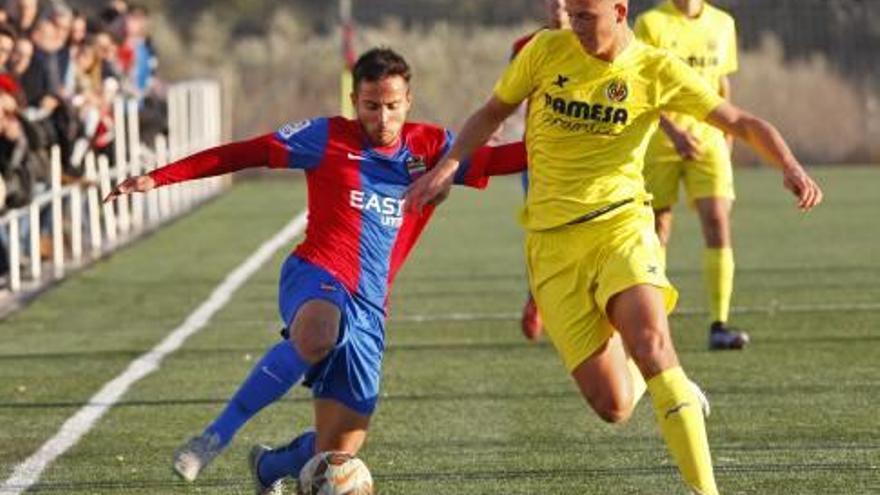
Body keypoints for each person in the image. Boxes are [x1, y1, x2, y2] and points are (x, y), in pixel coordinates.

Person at [405, 1, 822, 493]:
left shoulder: (654, 68)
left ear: (620, 10)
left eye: (586, 15)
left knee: (650, 345)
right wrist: (450, 166)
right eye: (572, 13)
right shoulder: (545, 51)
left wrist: (790, 166)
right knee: (614, 405)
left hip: (621, 225)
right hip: (552, 243)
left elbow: (741, 121)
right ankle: (670, 381)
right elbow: (493, 110)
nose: (574, 24)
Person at [106, 47, 526, 493]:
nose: (381, 118)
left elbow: (501, 160)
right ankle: (215, 436)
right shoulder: (326, 137)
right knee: (319, 332)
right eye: (370, 106)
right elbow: (247, 153)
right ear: (353, 100)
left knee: (338, 452)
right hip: (316, 273)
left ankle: (268, 467)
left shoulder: (435, 148)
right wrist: (160, 177)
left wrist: (582, 141)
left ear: (408, 101)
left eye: (391, 106)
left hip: (370, 307)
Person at [634, 0, 747, 350]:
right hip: (660, 140)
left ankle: (719, 323)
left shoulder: (723, 23)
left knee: (717, 222)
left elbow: (722, 85)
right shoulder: (651, 22)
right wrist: (674, 133)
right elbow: (641, 84)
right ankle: (656, 323)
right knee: (657, 228)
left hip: (708, 140)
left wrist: (727, 140)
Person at [506, 0, 570, 341]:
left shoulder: (600, 43)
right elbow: (508, 97)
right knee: (542, 230)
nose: (559, 9)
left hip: (588, 157)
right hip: (539, 156)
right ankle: (537, 297)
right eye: (554, 2)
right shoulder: (525, 46)